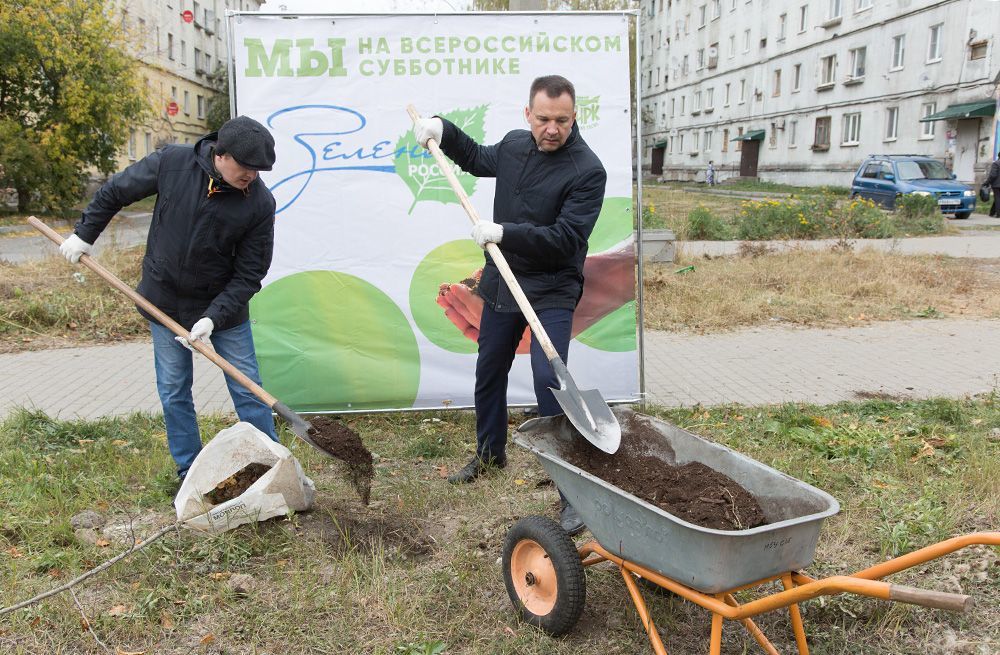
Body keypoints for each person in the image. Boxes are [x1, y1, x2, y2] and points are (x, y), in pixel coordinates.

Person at [414, 75, 607, 536]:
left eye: (561, 120)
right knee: (489, 367)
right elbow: (479, 159)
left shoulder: (587, 170)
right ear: (528, 115)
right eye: (543, 119)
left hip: (552, 286)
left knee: (549, 378)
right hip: (503, 278)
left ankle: (571, 493)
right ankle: (488, 454)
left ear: (574, 116)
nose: (552, 129)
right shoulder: (517, 146)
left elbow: (566, 240)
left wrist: (506, 232)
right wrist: (443, 130)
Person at [58, 116, 280, 482]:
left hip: (222, 310)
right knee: (174, 388)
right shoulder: (172, 163)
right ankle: (189, 472)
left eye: (258, 171)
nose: (252, 177)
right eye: (246, 168)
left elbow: (249, 274)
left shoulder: (259, 204)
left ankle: (270, 466)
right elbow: (116, 191)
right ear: (220, 154)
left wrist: (213, 318)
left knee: (247, 387)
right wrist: (84, 235)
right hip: (164, 303)